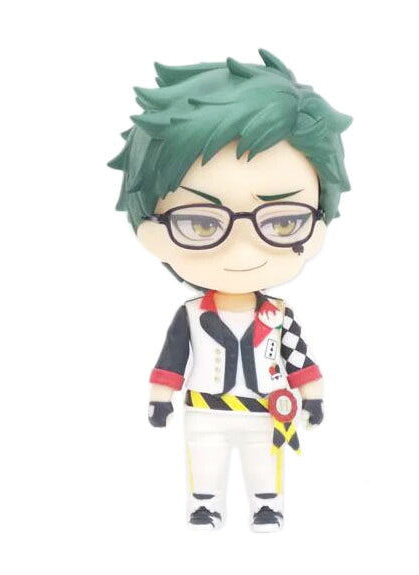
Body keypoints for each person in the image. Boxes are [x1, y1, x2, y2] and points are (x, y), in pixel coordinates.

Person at [109, 49, 352, 531]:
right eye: (201, 223)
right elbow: (173, 357)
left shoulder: (278, 315)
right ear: (151, 231)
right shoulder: (192, 315)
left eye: (282, 222)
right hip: (205, 409)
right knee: (206, 458)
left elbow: (297, 356)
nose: (242, 250)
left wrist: (312, 395)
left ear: (317, 226)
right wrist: (160, 397)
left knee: (265, 460)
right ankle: (205, 504)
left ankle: (267, 504)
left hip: (266, 408)